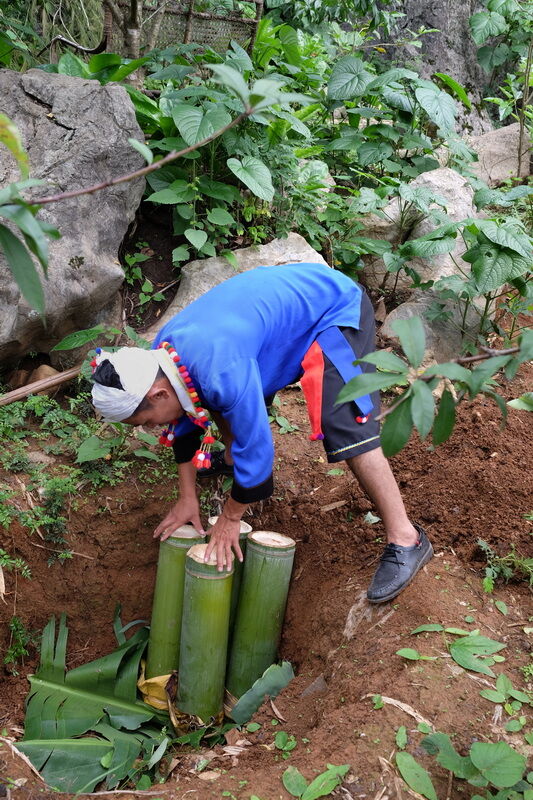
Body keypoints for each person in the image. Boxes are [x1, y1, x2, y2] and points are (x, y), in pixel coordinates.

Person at [91, 261, 433, 603]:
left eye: (146, 422)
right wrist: (186, 497)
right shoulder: (164, 357)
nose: (152, 430)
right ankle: (228, 457)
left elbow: (259, 454)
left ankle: (406, 538)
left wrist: (230, 516)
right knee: (209, 395)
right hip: (275, 321)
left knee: (342, 420)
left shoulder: (221, 369)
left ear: (158, 394)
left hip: (332, 309)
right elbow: (185, 417)